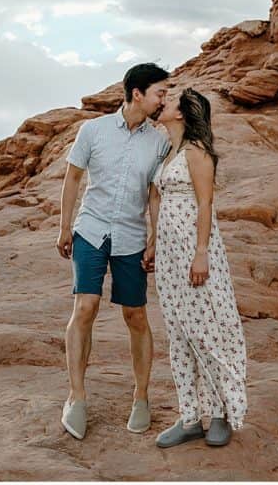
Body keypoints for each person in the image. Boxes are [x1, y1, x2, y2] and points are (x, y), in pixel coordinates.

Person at [56, 63, 172, 440]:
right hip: (90, 229)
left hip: (131, 236)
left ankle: (141, 397)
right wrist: (64, 227)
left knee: (135, 315)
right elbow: (73, 178)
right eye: (160, 92)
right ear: (137, 93)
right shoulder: (93, 130)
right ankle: (76, 397)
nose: (164, 99)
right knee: (84, 307)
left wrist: (155, 237)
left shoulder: (159, 141)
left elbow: (155, 193)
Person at [150, 87, 247, 448]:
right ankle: (189, 416)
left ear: (183, 113)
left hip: (195, 249)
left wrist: (201, 252)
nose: (164, 103)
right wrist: (153, 245)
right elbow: (158, 200)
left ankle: (221, 413)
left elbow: (205, 204)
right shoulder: (168, 151)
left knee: (207, 328)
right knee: (179, 332)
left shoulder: (197, 152)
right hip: (169, 255)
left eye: (171, 100)